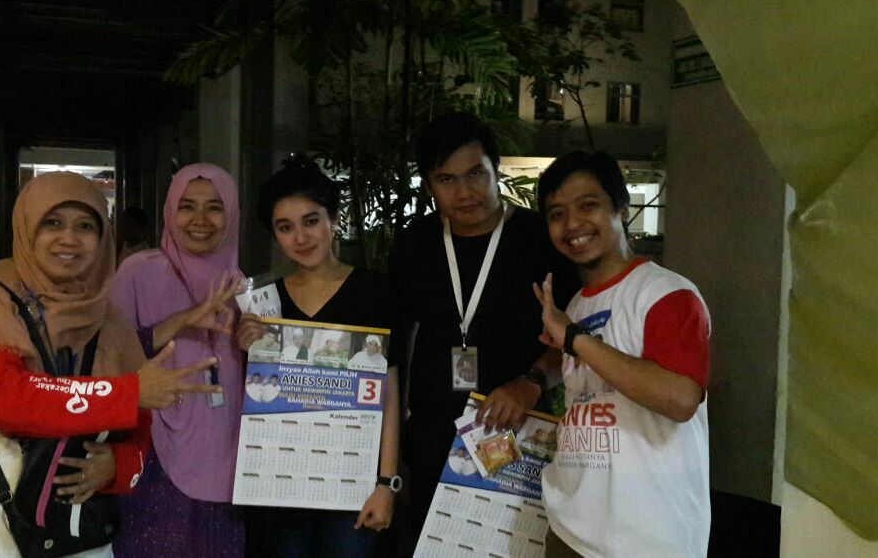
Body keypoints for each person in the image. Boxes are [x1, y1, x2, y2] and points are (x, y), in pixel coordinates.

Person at [0, 172, 217, 556]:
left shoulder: (109, 320)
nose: (69, 238)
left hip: (71, 529)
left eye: (85, 226)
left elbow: (138, 428)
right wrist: (127, 392)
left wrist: (115, 465)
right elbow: (3, 399)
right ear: (27, 226)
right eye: (52, 223)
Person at [387, 113, 578, 529]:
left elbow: (575, 336)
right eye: (446, 179)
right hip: (432, 435)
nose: (465, 192)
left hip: (521, 429)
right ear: (429, 185)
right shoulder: (414, 244)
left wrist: (532, 380)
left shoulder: (539, 240)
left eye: (476, 173)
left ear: (496, 168)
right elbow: (396, 341)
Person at [532, 151, 711, 557]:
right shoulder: (576, 304)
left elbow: (680, 399)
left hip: (646, 540)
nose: (572, 224)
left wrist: (575, 339)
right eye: (557, 214)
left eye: (588, 206)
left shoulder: (666, 293)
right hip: (570, 530)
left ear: (622, 210)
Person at [238, 155, 401, 557]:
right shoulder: (265, 303)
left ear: (334, 219)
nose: (301, 237)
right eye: (285, 227)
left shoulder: (375, 291)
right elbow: (258, 396)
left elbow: (390, 393)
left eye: (311, 221)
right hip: (282, 483)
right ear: (275, 236)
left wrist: (387, 482)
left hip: (352, 481)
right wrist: (248, 350)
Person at [109, 164, 247, 556]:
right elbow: (110, 360)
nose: (200, 219)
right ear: (170, 211)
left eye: (214, 207)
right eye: (187, 206)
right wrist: (182, 320)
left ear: (231, 213)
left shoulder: (239, 284)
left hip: (228, 461)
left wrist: (256, 344)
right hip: (155, 456)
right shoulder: (138, 272)